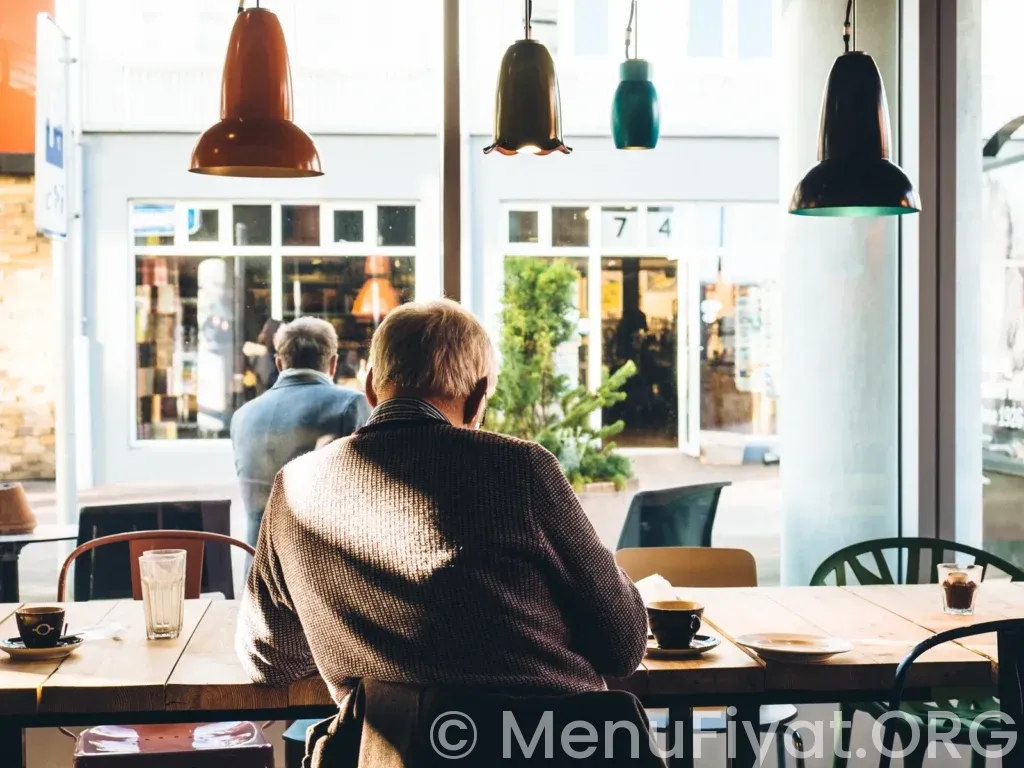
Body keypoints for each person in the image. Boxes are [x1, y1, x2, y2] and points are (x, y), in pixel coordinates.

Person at [236, 298, 647, 705]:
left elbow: (268, 659)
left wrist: (354, 634)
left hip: (393, 753)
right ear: (477, 397)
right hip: (555, 746)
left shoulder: (294, 487)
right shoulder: (521, 468)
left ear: (371, 387)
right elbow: (623, 645)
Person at [230, 316, 370, 551]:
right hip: (320, 571)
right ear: (334, 364)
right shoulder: (350, 405)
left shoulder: (242, 415)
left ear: (279, 364)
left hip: (256, 570)